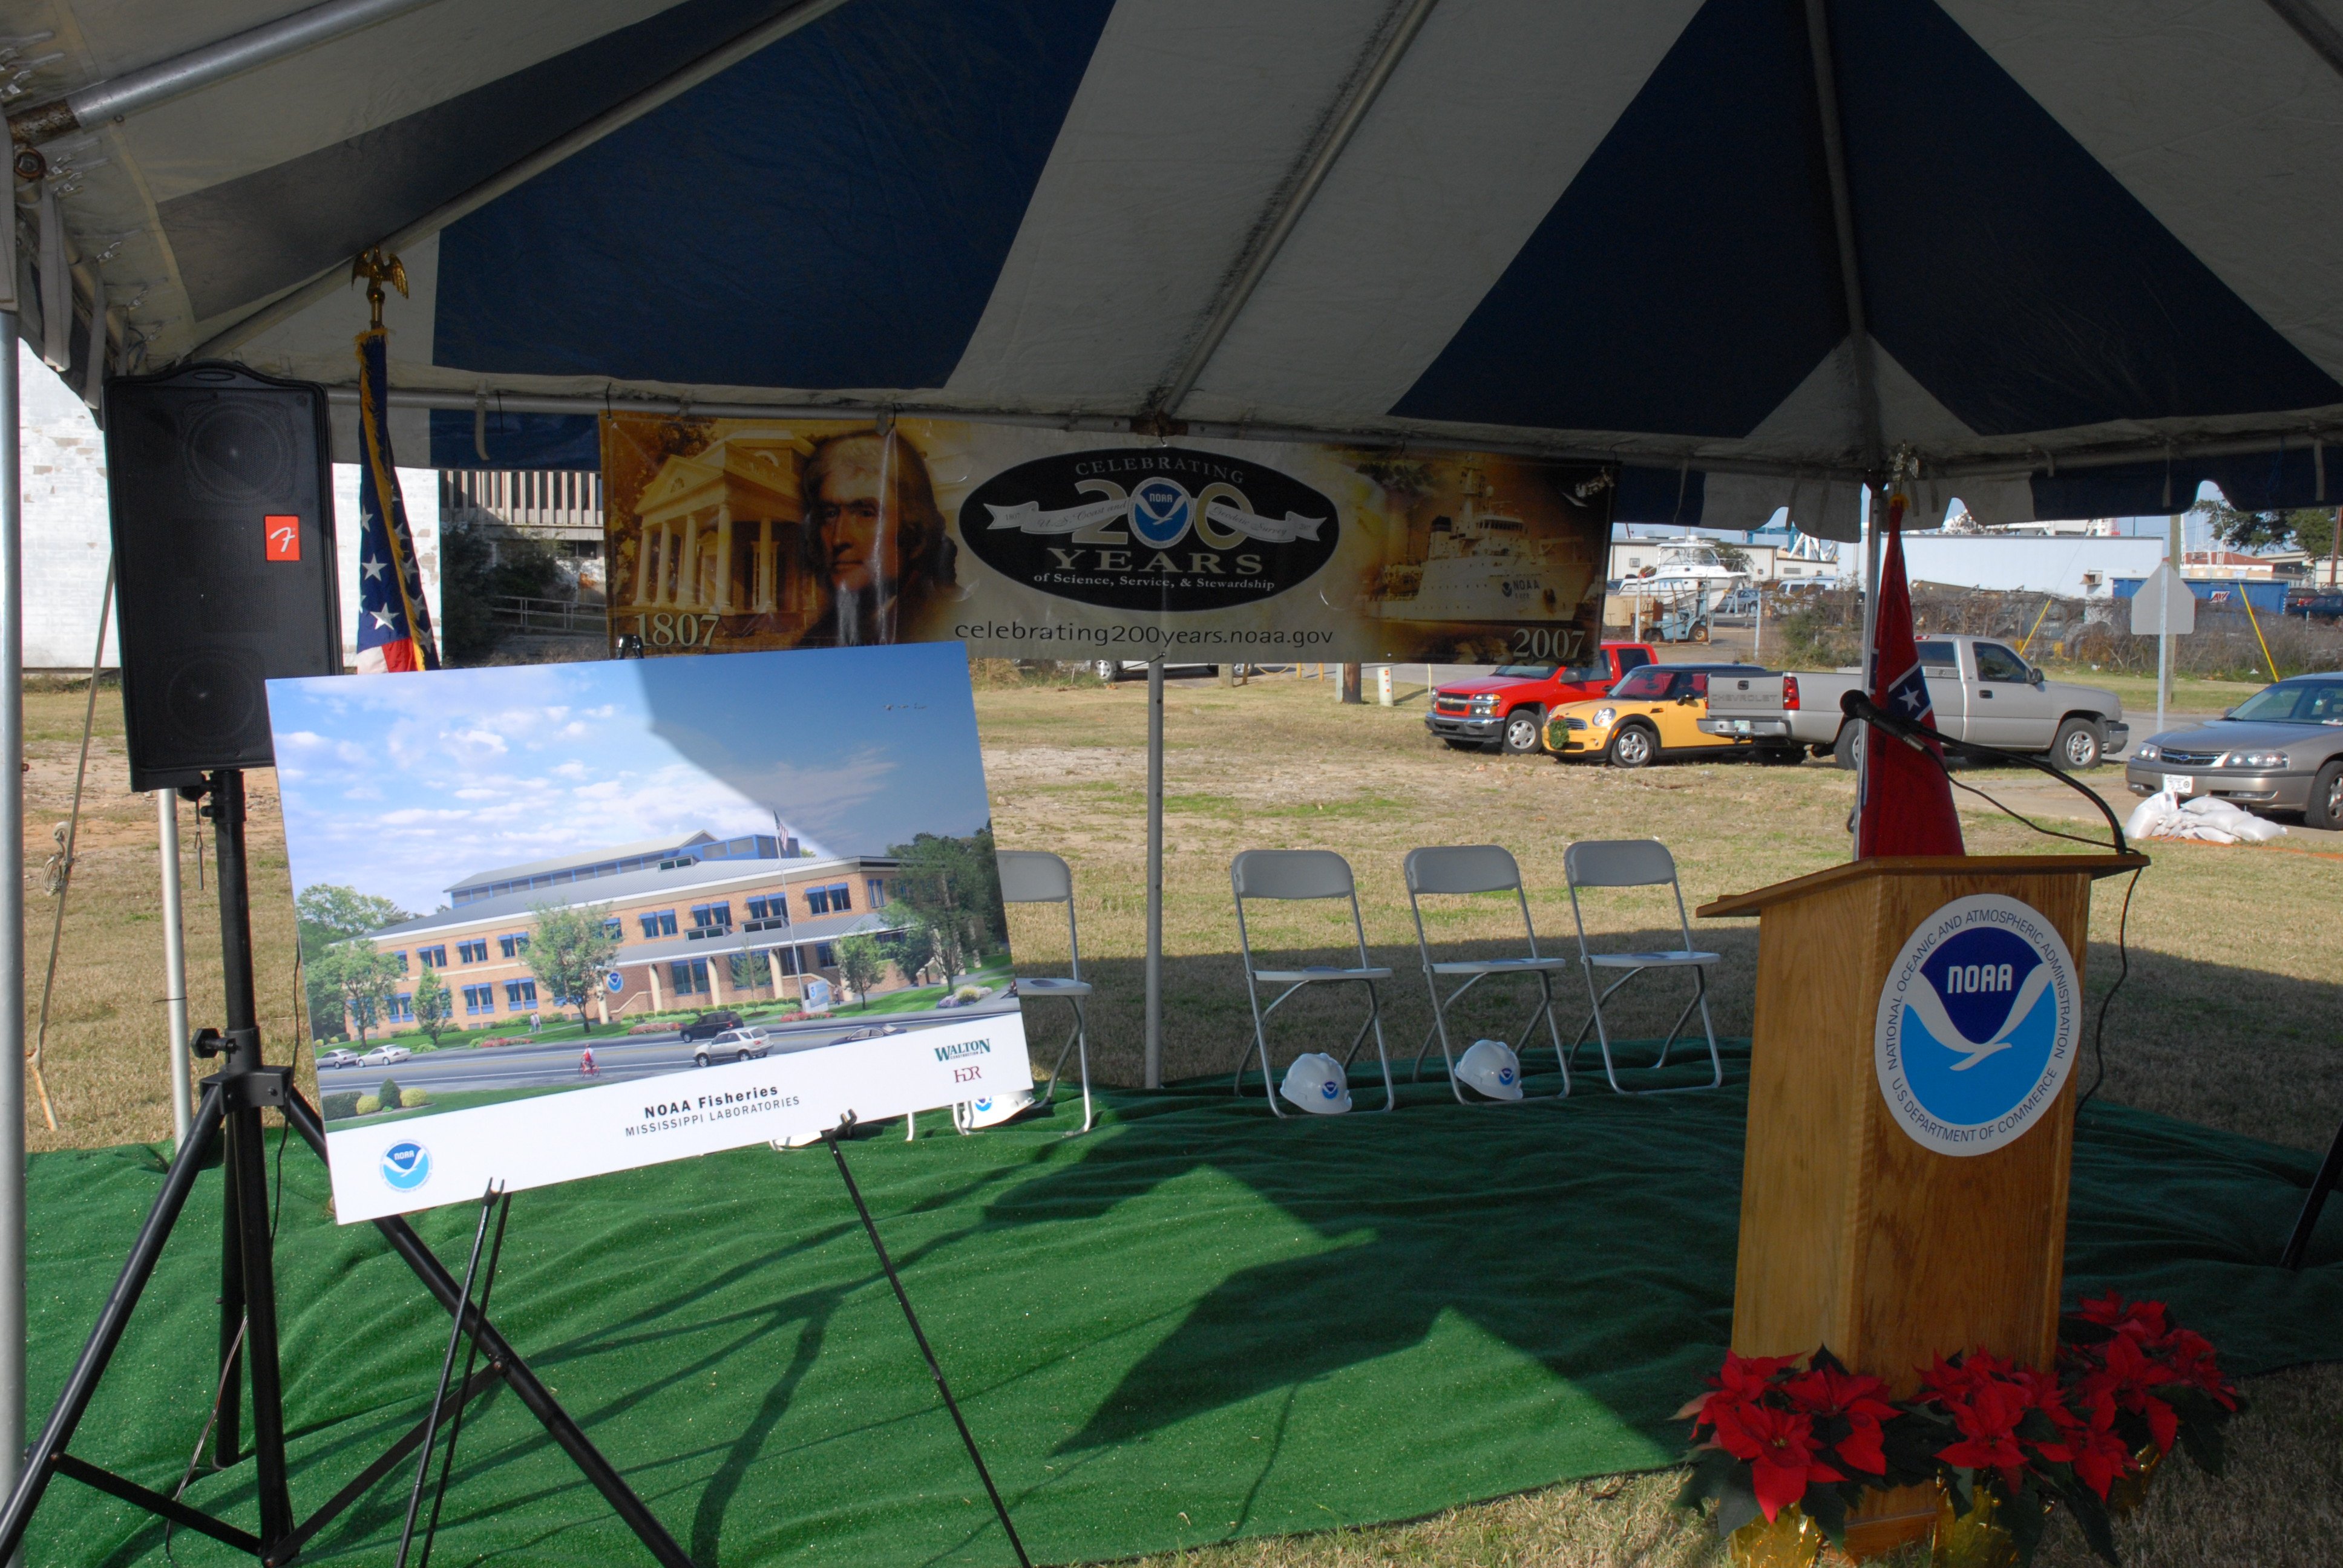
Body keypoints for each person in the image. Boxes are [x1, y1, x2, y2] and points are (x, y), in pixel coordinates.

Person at [799, 430, 956, 645]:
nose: (839, 539)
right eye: (831, 514)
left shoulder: (949, 622)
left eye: (866, 513)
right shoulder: (815, 639)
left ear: (913, 528)